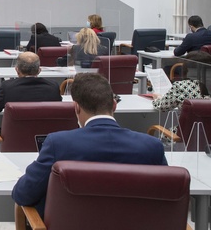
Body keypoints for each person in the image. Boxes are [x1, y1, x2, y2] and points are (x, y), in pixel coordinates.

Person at [12, 72, 167, 218]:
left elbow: (23, 194)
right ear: (114, 105)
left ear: (76, 107)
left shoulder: (58, 143)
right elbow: (167, 198)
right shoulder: (152, 146)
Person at [0, 52, 61, 118]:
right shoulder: (53, 86)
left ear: (17, 70)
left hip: (16, 136)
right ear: (39, 70)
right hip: (46, 135)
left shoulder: (8, 87)